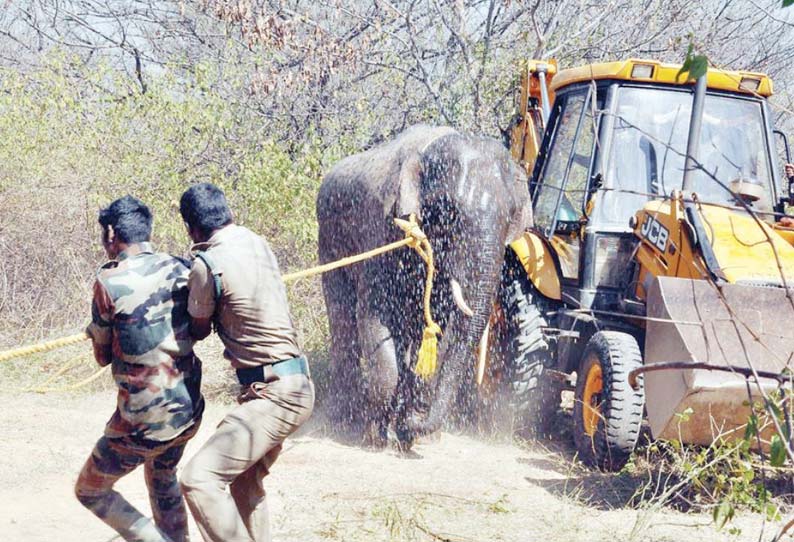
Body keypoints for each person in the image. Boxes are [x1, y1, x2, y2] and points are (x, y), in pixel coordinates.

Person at [178, 183, 314, 542]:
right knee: (242, 483)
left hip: (273, 394)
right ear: (228, 213)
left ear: (191, 228)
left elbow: (198, 328)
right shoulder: (257, 243)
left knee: (198, 480)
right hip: (296, 385)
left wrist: (188, 285)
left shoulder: (206, 265)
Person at [75, 196, 204, 542]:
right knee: (163, 476)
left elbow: (102, 357)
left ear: (112, 233)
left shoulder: (109, 281)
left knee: (90, 490)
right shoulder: (181, 266)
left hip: (144, 424)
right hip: (188, 411)